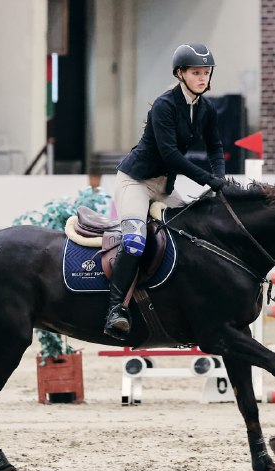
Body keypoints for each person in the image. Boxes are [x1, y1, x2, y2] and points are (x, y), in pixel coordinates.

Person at [104, 42, 227, 341]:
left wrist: (221, 180)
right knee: (134, 241)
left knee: (200, 227)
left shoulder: (205, 108)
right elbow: (170, 154)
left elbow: (216, 147)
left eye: (206, 72)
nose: (203, 78)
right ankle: (115, 310)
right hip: (135, 182)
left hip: (163, 188)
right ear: (180, 73)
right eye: (196, 72)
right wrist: (208, 180)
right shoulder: (165, 105)